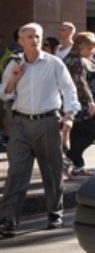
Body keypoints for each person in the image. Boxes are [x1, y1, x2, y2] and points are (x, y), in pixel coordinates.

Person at [0, 23, 80, 238]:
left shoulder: (54, 63)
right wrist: (14, 78)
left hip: (48, 122)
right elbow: (4, 94)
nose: (34, 40)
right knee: (16, 173)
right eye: (29, 37)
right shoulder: (14, 64)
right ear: (20, 41)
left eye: (37, 36)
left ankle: (54, 213)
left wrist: (70, 116)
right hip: (20, 124)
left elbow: (69, 90)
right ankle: (8, 220)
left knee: (52, 171)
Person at [62, 32, 95, 178]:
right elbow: (80, 82)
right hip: (84, 105)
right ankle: (68, 158)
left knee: (78, 135)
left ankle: (78, 167)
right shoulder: (76, 60)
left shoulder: (82, 59)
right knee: (91, 133)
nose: (93, 52)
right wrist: (90, 101)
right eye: (90, 48)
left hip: (84, 103)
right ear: (81, 46)